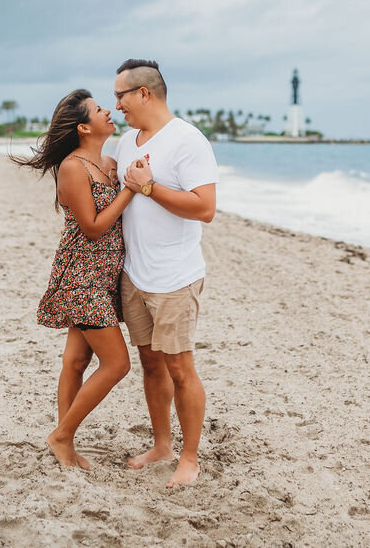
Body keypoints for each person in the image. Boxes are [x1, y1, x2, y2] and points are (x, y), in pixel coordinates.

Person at [11, 89, 135, 469]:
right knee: (117, 364)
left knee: (77, 361)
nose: (110, 111)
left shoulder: (110, 164)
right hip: (81, 276)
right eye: (100, 110)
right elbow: (94, 227)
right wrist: (130, 189)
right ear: (84, 127)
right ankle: (62, 436)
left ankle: (64, 442)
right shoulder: (73, 167)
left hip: (104, 277)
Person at [112, 59, 218, 488]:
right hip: (134, 273)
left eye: (120, 95)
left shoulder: (187, 140)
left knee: (180, 369)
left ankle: (188, 458)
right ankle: (161, 445)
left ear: (144, 93)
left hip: (175, 275)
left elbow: (205, 209)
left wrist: (150, 187)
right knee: (151, 365)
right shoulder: (126, 141)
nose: (116, 104)